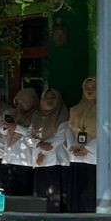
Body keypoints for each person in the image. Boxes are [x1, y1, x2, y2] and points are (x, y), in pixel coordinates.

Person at [28, 88, 72, 212]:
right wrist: (38, 143)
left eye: (53, 98)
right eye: (46, 98)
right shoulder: (36, 117)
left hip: (57, 161)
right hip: (38, 162)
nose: (50, 100)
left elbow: (59, 137)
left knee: (56, 198)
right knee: (41, 198)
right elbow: (28, 136)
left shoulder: (64, 115)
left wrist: (43, 152)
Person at [67, 78, 100, 213]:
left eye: (93, 87)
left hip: (95, 158)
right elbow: (69, 129)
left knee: (90, 193)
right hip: (75, 156)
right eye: (86, 87)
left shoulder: (106, 109)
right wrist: (72, 147)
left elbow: (107, 131)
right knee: (76, 194)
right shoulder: (75, 109)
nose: (89, 90)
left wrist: (88, 148)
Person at [2, 87, 39, 197]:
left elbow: (32, 133)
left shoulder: (36, 115)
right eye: (17, 102)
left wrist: (16, 127)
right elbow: (2, 129)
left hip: (25, 161)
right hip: (9, 158)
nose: (19, 106)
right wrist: (9, 127)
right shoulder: (12, 113)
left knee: (23, 194)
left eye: (23, 103)